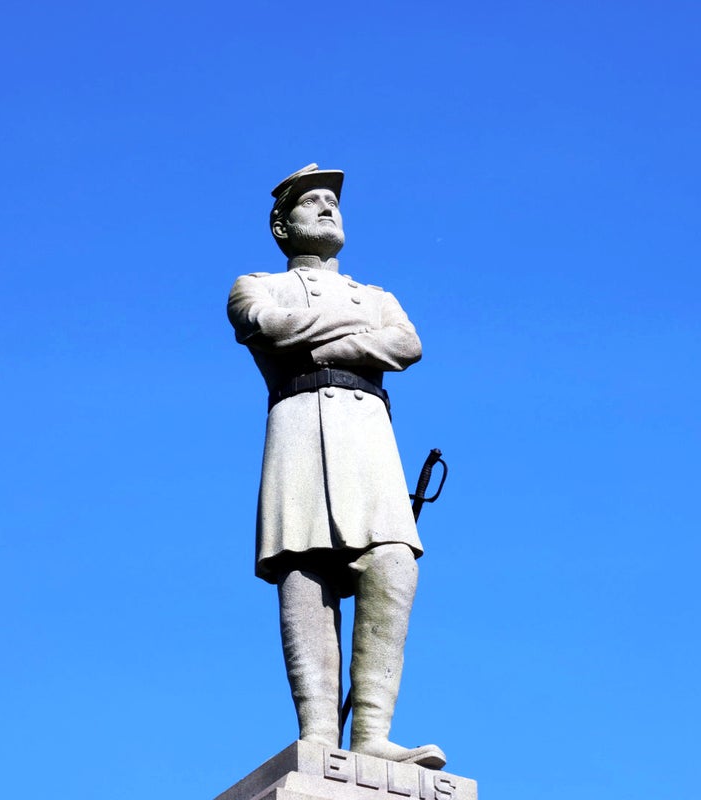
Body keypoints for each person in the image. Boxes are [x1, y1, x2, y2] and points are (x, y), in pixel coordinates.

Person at [227, 164, 445, 768]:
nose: (328, 209)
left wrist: (315, 339)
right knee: (305, 569)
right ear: (282, 223)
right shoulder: (254, 284)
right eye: (313, 201)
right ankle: (320, 734)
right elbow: (266, 326)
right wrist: (355, 336)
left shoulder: (377, 296)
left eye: (333, 201)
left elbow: (406, 345)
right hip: (298, 426)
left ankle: (372, 734)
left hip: (368, 432)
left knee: (394, 564)